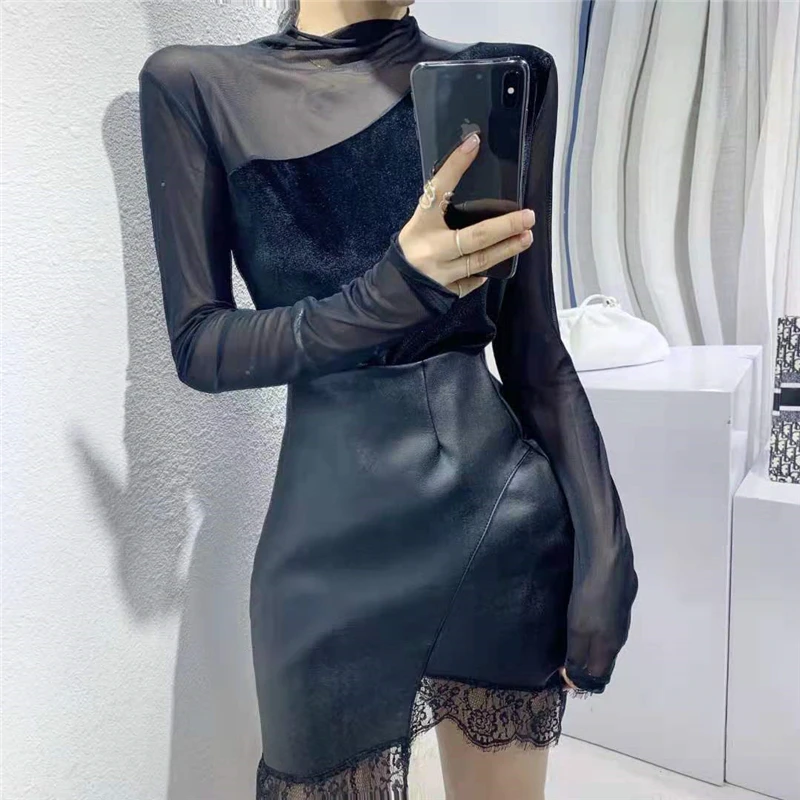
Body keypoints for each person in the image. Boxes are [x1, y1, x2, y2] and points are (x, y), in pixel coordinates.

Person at [138, 1, 638, 797]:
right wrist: (394, 292)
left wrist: (607, 548)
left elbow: (535, 351)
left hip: (502, 524)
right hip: (326, 553)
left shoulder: (504, 78)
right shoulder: (197, 86)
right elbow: (201, 344)